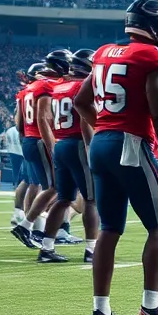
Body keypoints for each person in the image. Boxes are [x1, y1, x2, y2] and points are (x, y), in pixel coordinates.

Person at [73, 0, 158, 315]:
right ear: (156, 25)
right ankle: (151, 310)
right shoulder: (153, 55)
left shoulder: (104, 52)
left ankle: (101, 313)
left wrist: (107, 127)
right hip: (131, 144)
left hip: (101, 143)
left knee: (109, 228)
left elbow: (81, 101)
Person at [43, 49, 93, 264]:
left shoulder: (58, 86)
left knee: (63, 199)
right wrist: (91, 148)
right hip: (77, 143)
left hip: (61, 143)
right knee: (91, 200)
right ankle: (91, 250)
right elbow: (84, 120)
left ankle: (46, 248)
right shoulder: (83, 85)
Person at [11, 60, 60, 248]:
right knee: (55, 188)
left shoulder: (25, 91)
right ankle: (29, 225)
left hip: (28, 140)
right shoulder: (46, 86)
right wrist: (51, 145)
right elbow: (43, 119)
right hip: (41, 140)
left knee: (37, 184)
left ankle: (33, 226)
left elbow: (19, 125)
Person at [2, 119, 26, 225]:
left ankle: (18, 210)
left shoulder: (9, 131)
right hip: (22, 154)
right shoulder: (22, 130)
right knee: (27, 180)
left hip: (13, 153)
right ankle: (22, 211)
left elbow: (7, 143)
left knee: (17, 178)